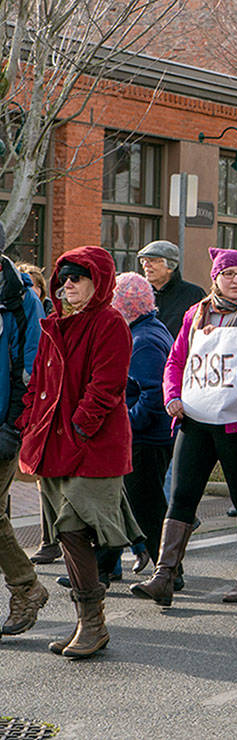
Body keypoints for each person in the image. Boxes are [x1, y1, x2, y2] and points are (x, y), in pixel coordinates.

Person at [132, 248, 237, 607]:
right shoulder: (196, 314)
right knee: (182, 496)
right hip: (196, 418)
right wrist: (172, 397)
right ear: (216, 277)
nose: (236, 280)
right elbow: (176, 359)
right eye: (228, 274)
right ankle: (164, 575)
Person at [19, 247, 137, 658]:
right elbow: (37, 380)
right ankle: (89, 623)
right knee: (66, 533)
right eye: (63, 277)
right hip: (52, 442)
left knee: (78, 527)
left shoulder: (110, 322)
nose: (67, 284)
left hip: (92, 445)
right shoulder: (54, 324)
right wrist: (29, 421)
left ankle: (93, 624)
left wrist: (79, 427)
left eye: (77, 278)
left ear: (98, 282)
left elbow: (107, 386)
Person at [111, 272, 173, 575]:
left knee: (146, 506)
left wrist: (126, 424)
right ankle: (106, 566)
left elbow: (152, 394)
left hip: (147, 437)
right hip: (149, 434)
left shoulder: (143, 339)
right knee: (123, 502)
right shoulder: (149, 330)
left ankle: (170, 571)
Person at [0, 245, 47, 639]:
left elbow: (31, 367)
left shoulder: (22, 299)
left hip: (3, 423)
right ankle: (26, 588)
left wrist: (14, 426)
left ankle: (27, 587)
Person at [136, 241, 206, 339]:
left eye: (153, 260)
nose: (146, 265)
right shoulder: (138, 294)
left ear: (170, 267)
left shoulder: (193, 295)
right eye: (143, 260)